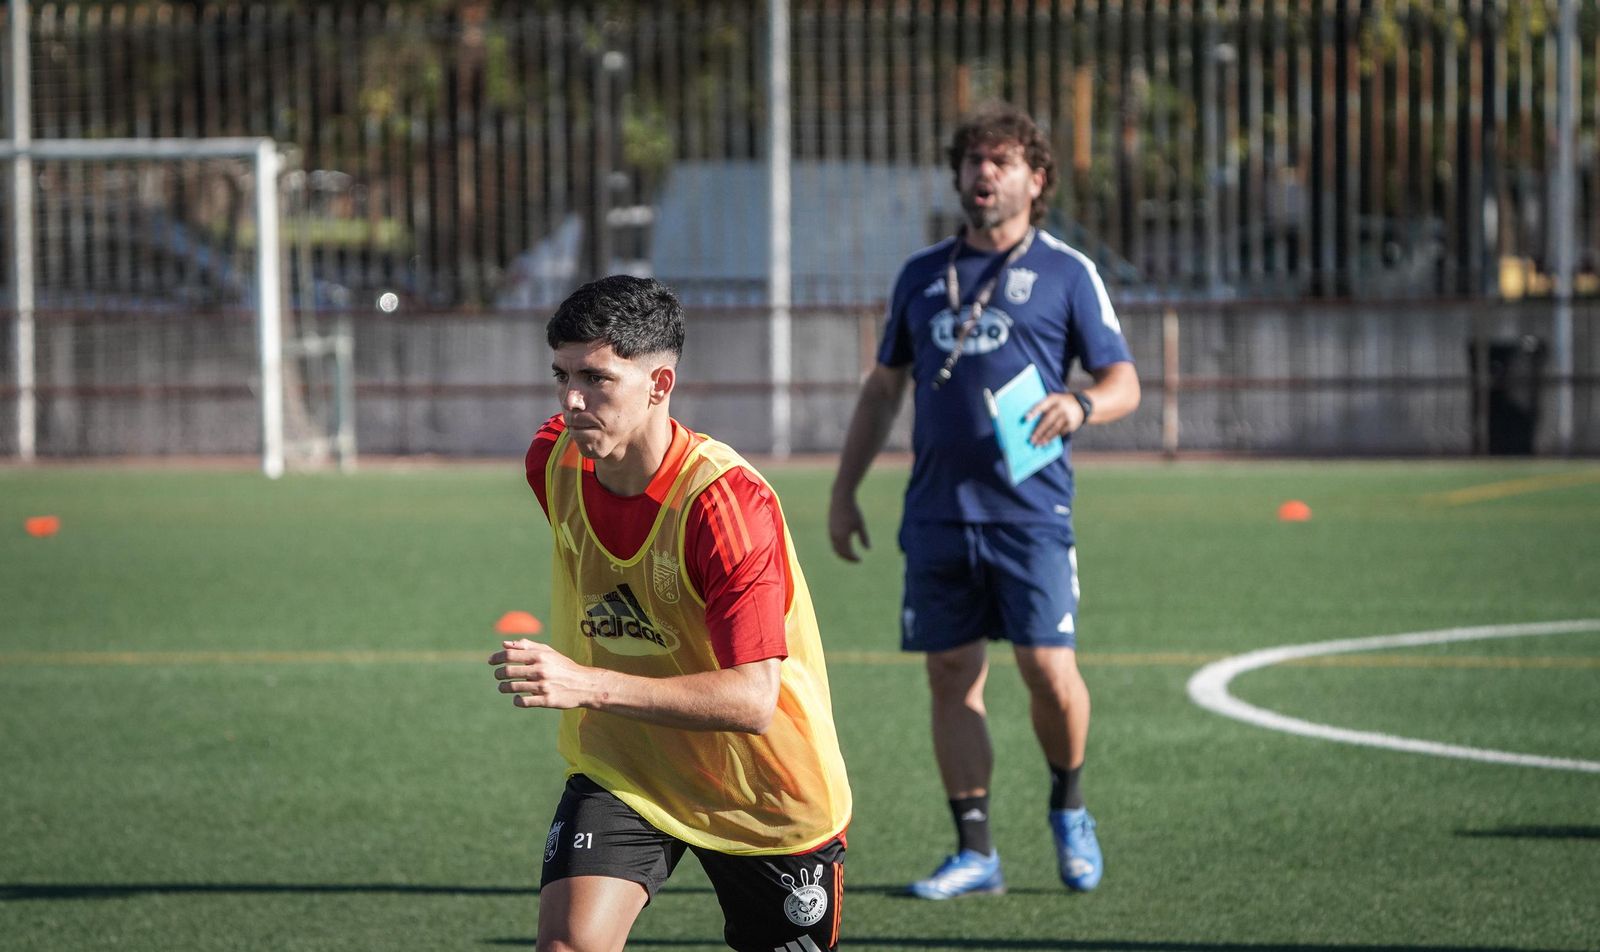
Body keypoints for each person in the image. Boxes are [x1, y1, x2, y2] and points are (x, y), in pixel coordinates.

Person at [828, 103, 1140, 900]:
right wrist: (844, 489)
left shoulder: (1069, 272)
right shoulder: (921, 274)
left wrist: (1081, 407)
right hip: (936, 512)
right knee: (950, 677)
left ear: (1037, 179)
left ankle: (1069, 807)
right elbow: (883, 389)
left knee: (1046, 667)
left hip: (1031, 512)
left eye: (1000, 161)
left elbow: (1123, 381)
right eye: (972, 159)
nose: (982, 173)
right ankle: (977, 852)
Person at [491, 275, 852, 952]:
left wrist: (585, 684)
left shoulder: (725, 507)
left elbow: (752, 700)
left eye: (596, 379)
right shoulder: (554, 459)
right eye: (560, 375)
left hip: (763, 790)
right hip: (629, 765)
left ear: (660, 385)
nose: (571, 401)